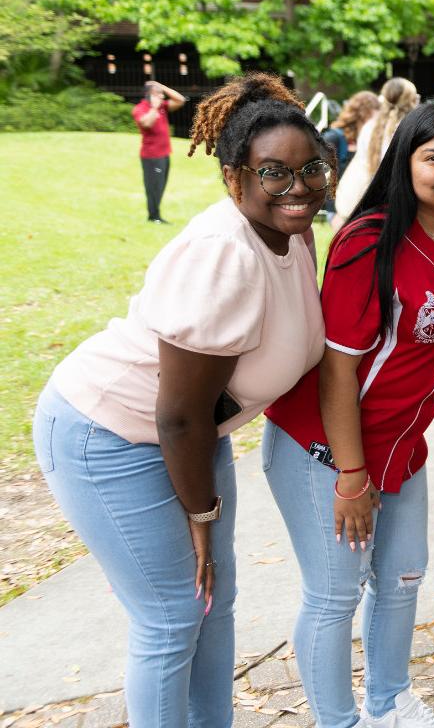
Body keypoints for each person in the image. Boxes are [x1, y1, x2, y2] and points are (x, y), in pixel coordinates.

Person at [33, 74, 329, 726]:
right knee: (171, 613)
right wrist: (201, 515)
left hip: (193, 435)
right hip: (108, 433)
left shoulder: (294, 231)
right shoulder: (225, 254)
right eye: (274, 173)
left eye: (312, 168)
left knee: (212, 600)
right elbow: (178, 413)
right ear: (234, 180)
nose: (299, 186)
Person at [263, 100, 434, 728]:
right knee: (335, 595)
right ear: (403, 163)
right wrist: (351, 477)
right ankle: (339, 721)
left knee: (404, 578)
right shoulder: (369, 243)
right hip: (325, 449)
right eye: (433, 158)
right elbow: (337, 373)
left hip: (402, 447)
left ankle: (391, 704)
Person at [335, 77, 420, 224]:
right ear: (412, 100)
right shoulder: (411, 129)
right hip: (394, 204)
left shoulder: (370, 126)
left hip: (358, 199)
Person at [320, 90, 382, 219]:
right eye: (373, 117)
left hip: (364, 206)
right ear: (361, 114)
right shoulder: (334, 137)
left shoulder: (372, 140)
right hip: (339, 209)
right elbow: (325, 176)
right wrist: (334, 210)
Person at [133, 80, 187, 223]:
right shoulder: (140, 108)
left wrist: (161, 87)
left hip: (164, 154)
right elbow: (146, 123)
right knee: (153, 187)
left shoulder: (162, 106)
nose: (162, 97)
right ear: (149, 94)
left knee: (161, 185)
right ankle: (153, 217)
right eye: (158, 94)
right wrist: (154, 109)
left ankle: (155, 215)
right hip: (151, 156)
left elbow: (180, 100)